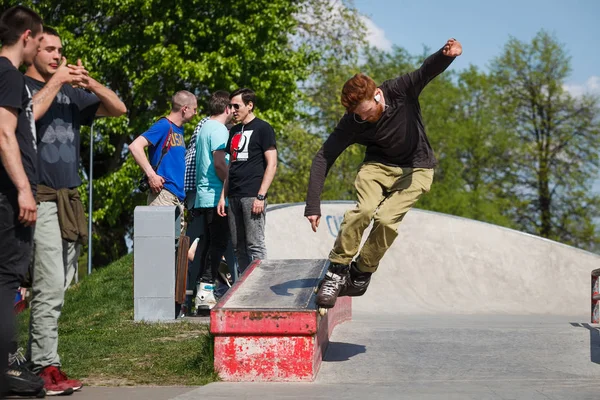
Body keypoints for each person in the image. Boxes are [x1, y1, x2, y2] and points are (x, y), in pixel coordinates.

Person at [306, 38, 463, 309]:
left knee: (387, 220)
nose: (365, 119)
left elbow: (426, 71)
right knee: (364, 211)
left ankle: (361, 274)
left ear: (377, 95)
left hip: (417, 168)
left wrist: (446, 56)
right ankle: (336, 271)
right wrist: (312, 203)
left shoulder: (400, 90)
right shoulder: (353, 121)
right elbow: (324, 156)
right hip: (377, 167)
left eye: (368, 113)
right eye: (360, 115)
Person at [24, 25, 127, 394]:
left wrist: (89, 82)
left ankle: (33, 355)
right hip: (41, 197)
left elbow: (119, 108)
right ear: (31, 49)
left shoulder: (70, 92)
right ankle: (43, 367)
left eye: (60, 50)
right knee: (49, 287)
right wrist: (56, 84)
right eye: (48, 49)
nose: (56, 55)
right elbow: (25, 118)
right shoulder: (21, 88)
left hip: (70, 199)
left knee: (60, 286)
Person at [0, 5, 45, 398]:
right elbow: (5, 133)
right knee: (6, 278)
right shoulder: (9, 75)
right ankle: (7, 366)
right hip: (9, 196)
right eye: (39, 40)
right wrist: (23, 189)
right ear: (27, 35)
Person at [217, 88, 277, 274]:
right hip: (234, 195)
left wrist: (261, 196)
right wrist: (222, 197)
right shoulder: (234, 131)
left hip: (252, 195)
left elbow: (272, 164)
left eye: (237, 106)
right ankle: (244, 287)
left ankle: (261, 285)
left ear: (250, 105)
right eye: (231, 106)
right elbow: (231, 167)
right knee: (238, 248)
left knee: (255, 245)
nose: (233, 110)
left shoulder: (263, 128)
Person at [129, 90, 197, 232]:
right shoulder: (164, 125)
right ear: (185, 109)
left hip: (176, 197)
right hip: (163, 195)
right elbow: (135, 146)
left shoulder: (179, 130)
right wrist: (152, 176)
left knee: (174, 249)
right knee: (160, 248)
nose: (196, 113)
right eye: (194, 109)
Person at [193, 91, 234, 310]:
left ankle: (202, 290)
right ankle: (206, 290)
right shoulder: (218, 129)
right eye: (233, 108)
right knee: (218, 244)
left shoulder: (204, 127)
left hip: (204, 195)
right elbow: (219, 163)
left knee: (210, 244)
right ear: (227, 108)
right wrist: (230, 182)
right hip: (217, 195)